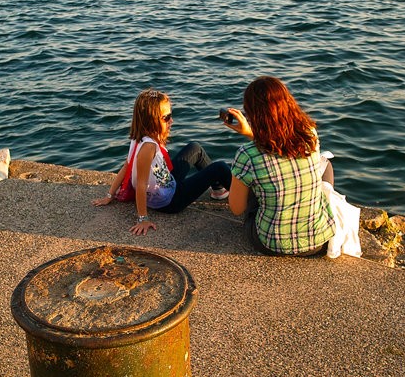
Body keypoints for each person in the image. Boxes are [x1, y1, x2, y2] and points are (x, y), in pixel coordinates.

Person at [92, 88, 232, 235]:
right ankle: (243, 201)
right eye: (166, 117)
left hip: (166, 184)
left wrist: (109, 195)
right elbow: (141, 185)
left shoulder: (137, 138)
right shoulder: (148, 147)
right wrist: (143, 219)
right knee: (220, 167)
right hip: (170, 201)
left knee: (194, 148)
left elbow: (126, 166)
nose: (171, 120)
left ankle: (218, 189)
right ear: (150, 120)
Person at [223, 76, 336, 256]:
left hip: (272, 244)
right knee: (326, 164)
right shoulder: (310, 135)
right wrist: (251, 134)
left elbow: (237, 209)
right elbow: (281, 148)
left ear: (252, 114)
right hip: (319, 242)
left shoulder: (247, 154)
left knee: (254, 183)